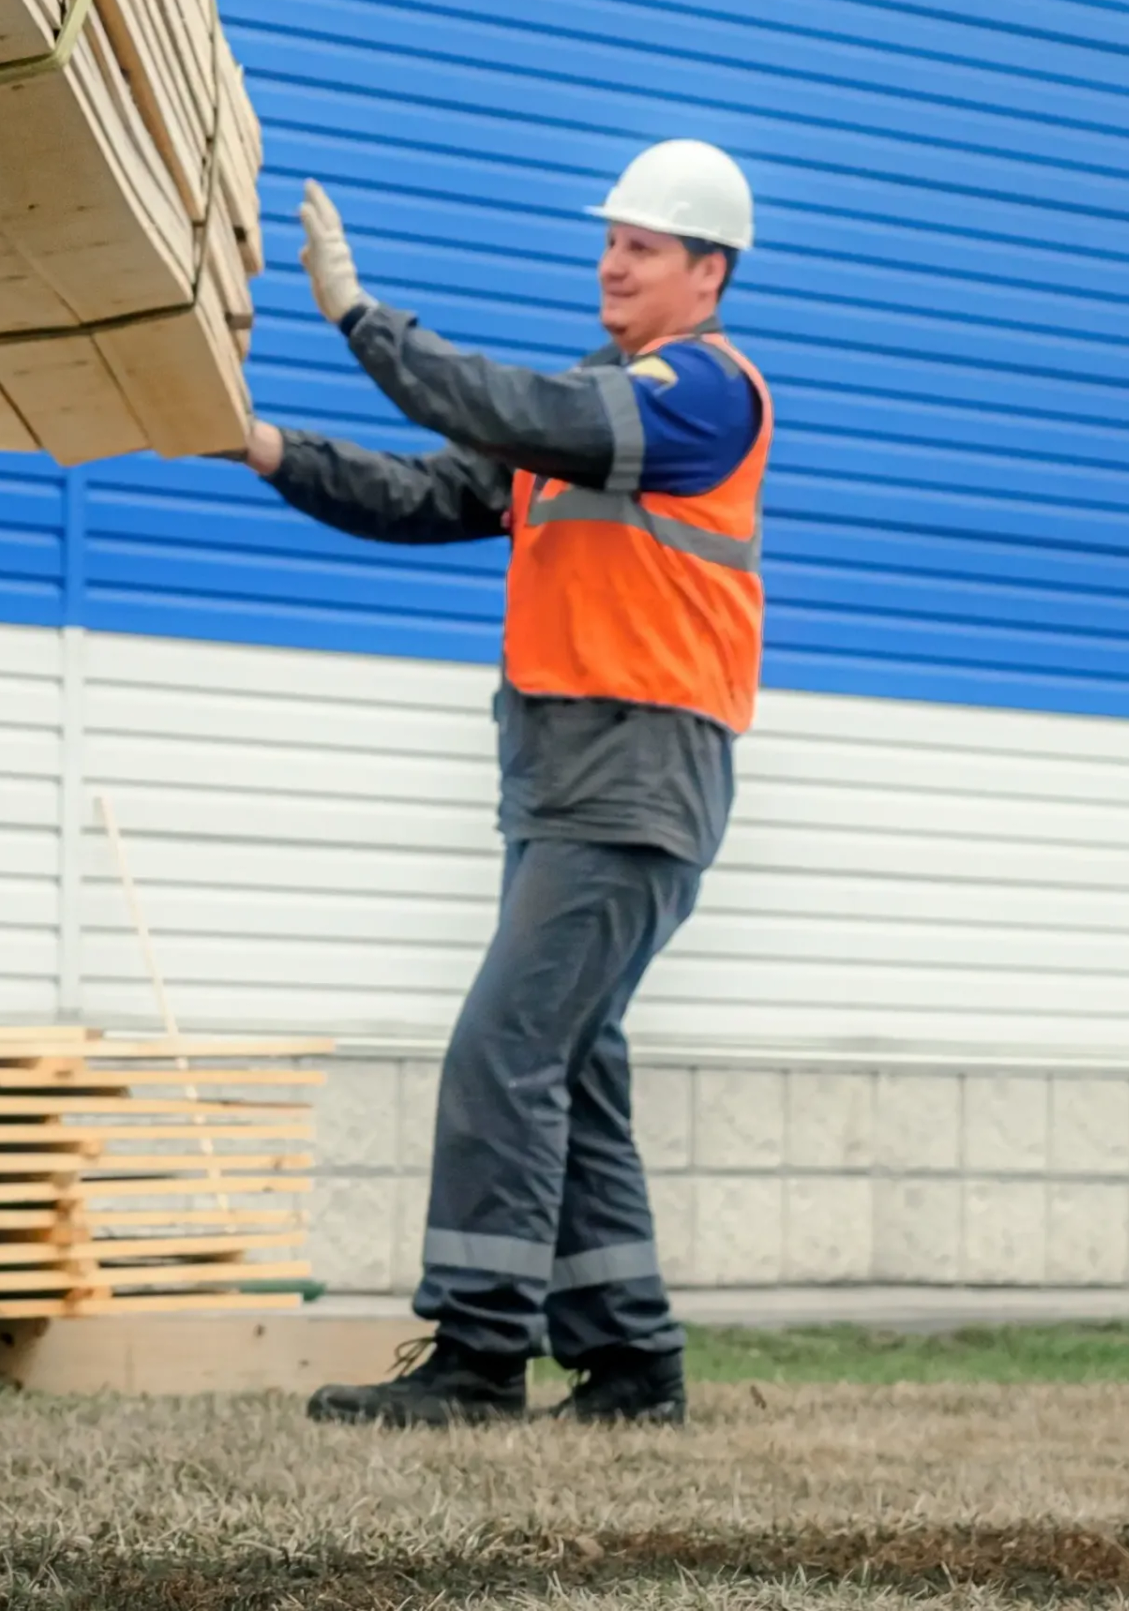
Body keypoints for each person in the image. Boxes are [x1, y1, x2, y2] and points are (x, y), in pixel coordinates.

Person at [243, 140, 769, 1428]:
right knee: (569, 1067)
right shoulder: (591, 406)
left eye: (642, 247)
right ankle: (632, 1368)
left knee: (504, 1052)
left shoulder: (702, 394)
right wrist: (260, 446)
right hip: (567, 782)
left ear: (708, 274)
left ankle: (480, 1359)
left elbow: (519, 412)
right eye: (609, 241)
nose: (612, 261)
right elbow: (428, 496)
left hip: (636, 776)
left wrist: (365, 322)